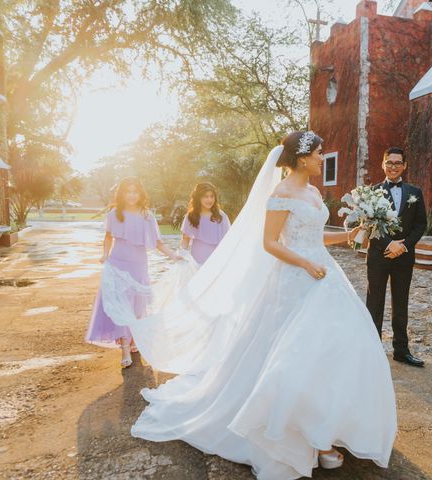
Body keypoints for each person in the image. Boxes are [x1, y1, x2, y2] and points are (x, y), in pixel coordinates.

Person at [107, 132, 397, 479]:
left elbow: (315, 236)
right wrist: (304, 264)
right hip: (296, 279)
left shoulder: (314, 192)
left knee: (332, 349)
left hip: (324, 275)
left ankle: (326, 427)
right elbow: (270, 242)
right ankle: (305, 437)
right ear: (303, 158)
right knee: (292, 354)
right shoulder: (281, 193)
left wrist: (349, 235)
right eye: (320, 154)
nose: (323, 159)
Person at [84, 177, 181, 368]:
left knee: (137, 307)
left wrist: (174, 256)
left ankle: (135, 340)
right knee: (121, 306)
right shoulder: (114, 214)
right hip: (117, 264)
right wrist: (104, 254)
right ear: (122, 194)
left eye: (135, 192)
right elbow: (108, 237)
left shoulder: (147, 215)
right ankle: (125, 348)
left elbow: (158, 242)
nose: (131, 195)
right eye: (128, 191)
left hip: (138, 265)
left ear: (140, 194)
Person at [366, 147, 428, 367]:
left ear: (404, 165)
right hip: (378, 255)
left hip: (403, 256)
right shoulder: (372, 192)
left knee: (401, 303)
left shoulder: (415, 192)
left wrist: (404, 246)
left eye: (397, 163)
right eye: (389, 163)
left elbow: (421, 224)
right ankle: (372, 350)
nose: (393, 167)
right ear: (383, 165)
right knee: (375, 302)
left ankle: (401, 350)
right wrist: (389, 244)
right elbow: (369, 225)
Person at [180, 182, 230, 265]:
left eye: (212, 196)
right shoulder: (191, 216)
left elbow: (228, 240)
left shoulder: (221, 216)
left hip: (217, 259)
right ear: (198, 198)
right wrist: (182, 254)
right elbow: (185, 240)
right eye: (206, 197)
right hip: (197, 259)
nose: (209, 200)